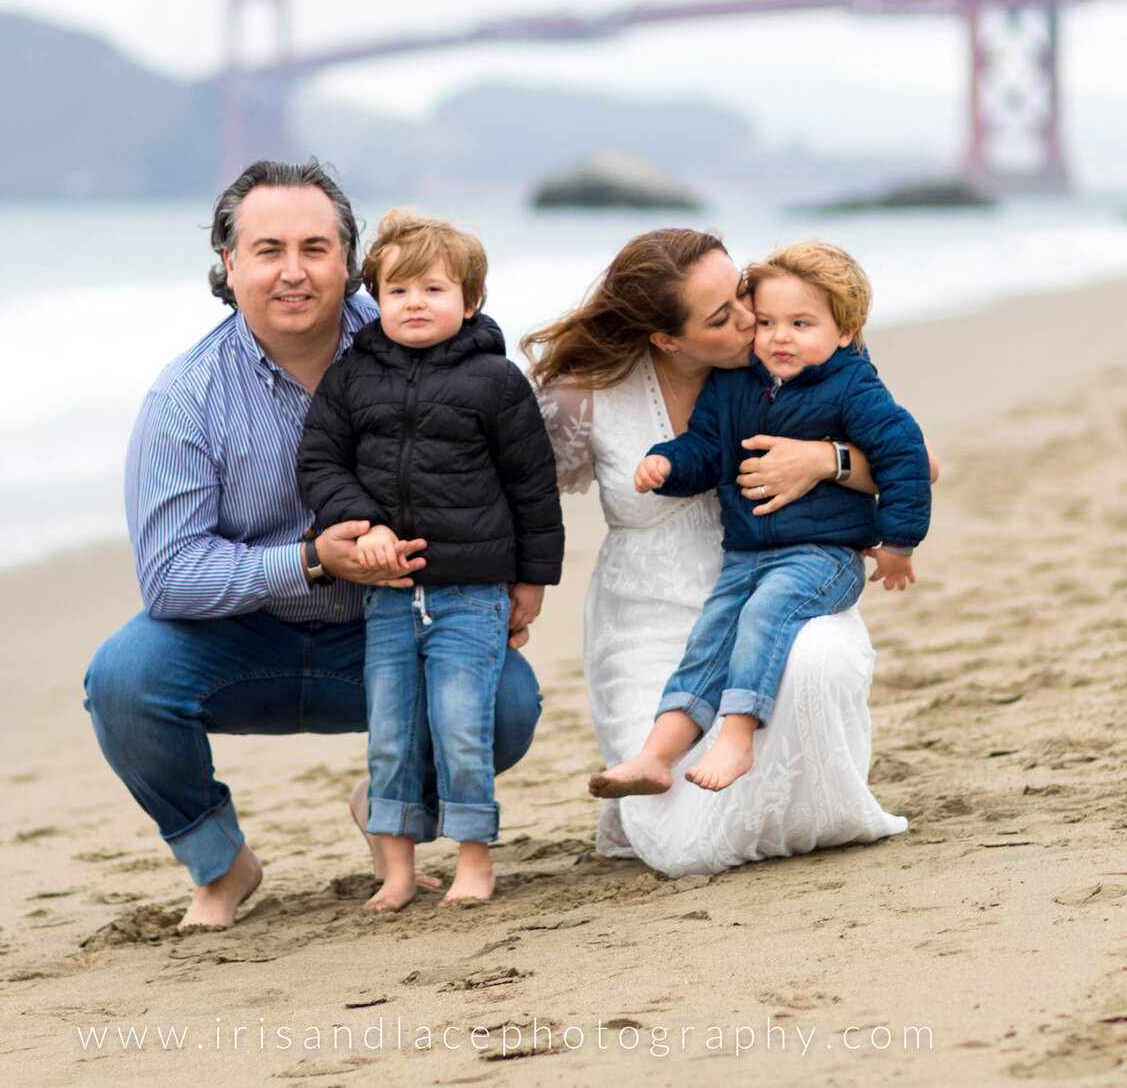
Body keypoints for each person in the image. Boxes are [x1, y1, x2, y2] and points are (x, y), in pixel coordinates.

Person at [82, 160, 542, 931]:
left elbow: (509, 466)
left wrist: (508, 581)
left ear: (351, 262)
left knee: (508, 700)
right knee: (124, 680)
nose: (293, 271)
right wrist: (310, 557)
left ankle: (390, 801)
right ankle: (222, 865)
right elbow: (168, 577)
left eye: (315, 248)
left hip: (388, 628)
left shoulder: (431, 340)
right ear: (229, 266)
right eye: (268, 250)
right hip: (242, 640)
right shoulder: (184, 398)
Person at [528, 229, 926, 876]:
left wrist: (824, 460)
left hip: (782, 588)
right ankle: (657, 762)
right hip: (648, 618)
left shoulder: (799, 349)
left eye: (743, 291)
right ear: (667, 337)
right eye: (726, 315)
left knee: (813, 656)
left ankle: (763, 762)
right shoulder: (591, 394)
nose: (753, 320)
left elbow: (917, 459)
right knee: (686, 847)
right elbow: (508, 494)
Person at [296, 210, 563, 912]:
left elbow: (532, 486)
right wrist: (363, 527)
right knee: (390, 735)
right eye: (398, 291)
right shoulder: (351, 378)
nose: (414, 303)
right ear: (376, 301)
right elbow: (321, 461)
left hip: (472, 594)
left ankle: (475, 860)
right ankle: (398, 871)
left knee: (461, 727)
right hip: (387, 595)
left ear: (470, 301)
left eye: (434, 289)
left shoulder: (498, 381)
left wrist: (532, 579)